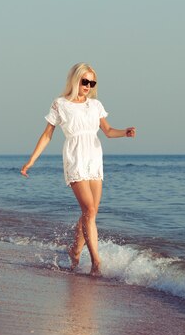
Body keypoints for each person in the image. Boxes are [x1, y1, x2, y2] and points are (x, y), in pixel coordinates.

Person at [21, 63, 135, 276]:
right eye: (85, 81)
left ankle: (75, 250)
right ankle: (96, 263)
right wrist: (31, 161)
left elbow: (108, 131)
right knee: (89, 211)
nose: (88, 86)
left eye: (92, 83)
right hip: (75, 158)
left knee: (90, 212)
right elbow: (47, 135)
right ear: (75, 80)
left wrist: (125, 132)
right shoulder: (60, 104)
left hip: (94, 157)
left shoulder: (95, 105)